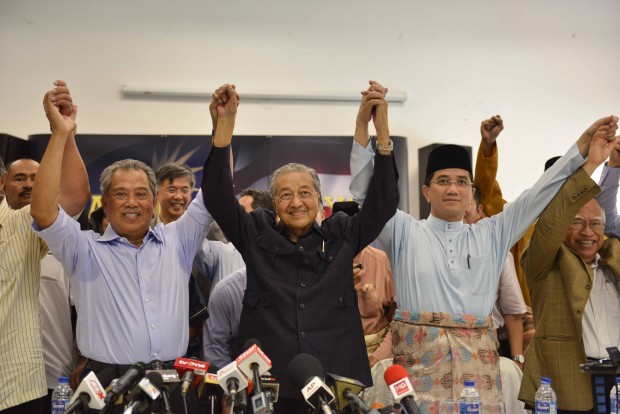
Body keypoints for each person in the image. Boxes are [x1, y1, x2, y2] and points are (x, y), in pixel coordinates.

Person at [350, 99, 617, 411]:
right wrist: (364, 127)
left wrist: (582, 149)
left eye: (461, 182)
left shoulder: (491, 233)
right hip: (419, 383)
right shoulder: (403, 232)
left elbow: (539, 194)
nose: (453, 189)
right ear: (426, 191)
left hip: (476, 383)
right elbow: (366, 195)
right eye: (443, 181)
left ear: (471, 193)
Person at [203, 81, 398, 412]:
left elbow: (383, 203)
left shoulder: (342, 234)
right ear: (275, 203)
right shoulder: (256, 235)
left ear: (320, 201)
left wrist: (380, 132)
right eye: (285, 194)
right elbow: (217, 196)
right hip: (270, 387)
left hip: (335, 386)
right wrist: (224, 127)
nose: (296, 202)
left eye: (305, 193)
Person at [29, 82, 216, 397]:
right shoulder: (82, 249)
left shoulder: (179, 239)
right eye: (120, 194)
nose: (132, 202)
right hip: (106, 382)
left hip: (171, 381)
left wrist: (221, 129)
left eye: (141, 194)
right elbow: (43, 210)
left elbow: (216, 190)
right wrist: (60, 134)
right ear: (107, 203)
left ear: (153, 200)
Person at [0, 80, 90, 414]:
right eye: (18, 179)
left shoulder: (15, 224)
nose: (27, 186)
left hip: (15, 389)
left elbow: (70, 199)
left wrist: (61, 134)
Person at [519, 126, 619, 413]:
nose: (587, 232)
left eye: (595, 224)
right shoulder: (543, 261)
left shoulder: (613, 262)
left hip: (615, 385)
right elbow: (549, 223)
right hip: (561, 389)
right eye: (576, 222)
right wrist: (590, 166)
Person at [464, 185, 527, 364]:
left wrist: (517, 360)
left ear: (479, 211)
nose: (460, 209)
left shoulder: (498, 252)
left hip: (490, 346)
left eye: (466, 203)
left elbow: (512, 311)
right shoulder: (429, 250)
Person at [332, 201, 396, 367]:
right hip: (334, 356)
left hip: (378, 358)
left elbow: (398, 319)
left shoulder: (380, 260)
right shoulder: (321, 262)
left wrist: (377, 357)